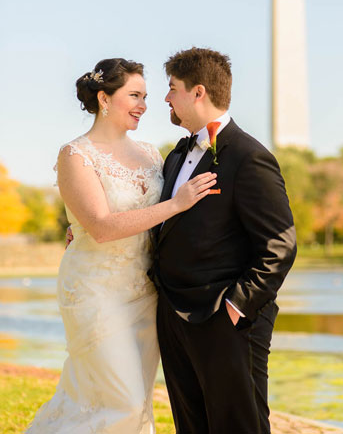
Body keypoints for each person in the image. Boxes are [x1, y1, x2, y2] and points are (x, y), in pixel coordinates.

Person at [26, 58, 217, 433]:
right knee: (124, 401)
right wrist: (175, 204)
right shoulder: (76, 154)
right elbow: (99, 227)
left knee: (129, 402)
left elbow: (161, 226)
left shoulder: (151, 153)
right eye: (134, 95)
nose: (144, 105)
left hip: (145, 293)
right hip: (96, 291)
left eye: (145, 97)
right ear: (104, 98)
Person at [148, 47, 297, 434]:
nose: (166, 98)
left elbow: (279, 247)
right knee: (191, 426)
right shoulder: (176, 156)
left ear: (198, 92)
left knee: (238, 426)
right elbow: (164, 226)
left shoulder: (249, 157)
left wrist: (235, 306)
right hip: (174, 316)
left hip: (226, 321)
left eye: (172, 88)